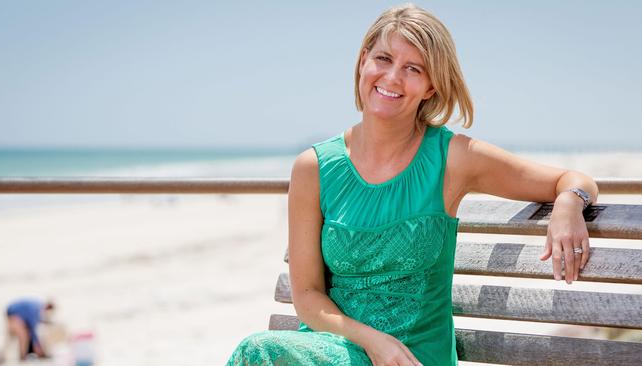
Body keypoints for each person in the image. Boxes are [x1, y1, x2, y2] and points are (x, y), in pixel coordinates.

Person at [228, 4, 598, 365]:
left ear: (431, 86)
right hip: (337, 348)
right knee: (258, 351)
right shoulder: (314, 168)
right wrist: (372, 341)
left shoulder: (452, 157)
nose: (391, 78)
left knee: (256, 352)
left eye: (413, 69)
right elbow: (307, 295)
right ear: (363, 62)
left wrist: (569, 203)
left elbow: (573, 180)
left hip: (414, 356)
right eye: (384, 59)